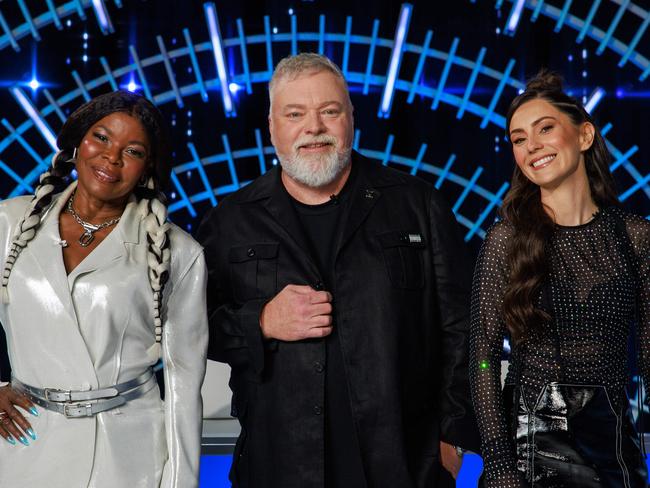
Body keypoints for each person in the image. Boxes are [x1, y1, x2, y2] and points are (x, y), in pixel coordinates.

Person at [197, 52, 479, 488]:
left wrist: (454, 436)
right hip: (278, 465)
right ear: (272, 126)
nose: (314, 128)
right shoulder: (229, 221)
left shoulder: (418, 206)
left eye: (329, 111)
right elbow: (193, 329)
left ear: (351, 118)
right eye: (295, 114)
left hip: (405, 465)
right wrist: (262, 322)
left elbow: (465, 328)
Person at [0, 91, 208, 487]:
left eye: (132, 151)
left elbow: (183, 387)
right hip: (25, 447)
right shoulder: (8, 224)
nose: (111, 158)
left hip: (128, 458)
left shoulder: (177, 253)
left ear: (148, 167)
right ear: (78, 142)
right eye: (101, 137)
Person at [469, 71, 649, 487]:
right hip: (530, 439)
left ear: (584, 136)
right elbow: (482, 357)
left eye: (544, 129)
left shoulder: (636, 236)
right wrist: (497, 464)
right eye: (518, 139)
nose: (531, 146)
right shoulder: (506, 240)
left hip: (613, 441)